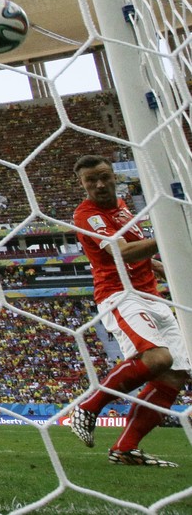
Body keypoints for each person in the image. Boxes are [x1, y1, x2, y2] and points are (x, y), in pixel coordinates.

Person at [70, 155, 191, 467]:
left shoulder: (122, 208)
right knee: (157, 358)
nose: (99, 184)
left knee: (176, 374)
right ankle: (88, 407)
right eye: (90, 180)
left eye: (104, 177)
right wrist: (167, 235)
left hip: (151, 296)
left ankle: (125, 448)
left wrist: (172, 275)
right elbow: (121, 253)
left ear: (113, 176)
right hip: (120, 295)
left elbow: (142, 257)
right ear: (82, 185)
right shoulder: (87, 215)